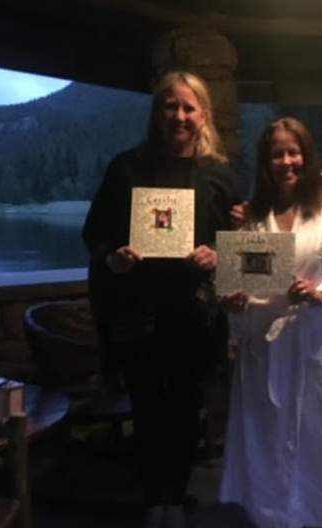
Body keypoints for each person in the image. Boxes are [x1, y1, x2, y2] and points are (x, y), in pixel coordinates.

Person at [82, 71, 239, 528]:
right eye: (171, 106)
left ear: (203, 115)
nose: (180, 115)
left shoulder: (220, 177)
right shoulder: (126, 168)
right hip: (140, 314)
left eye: (189, 107)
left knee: (188, 411)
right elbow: (94, 234)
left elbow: (242, 247)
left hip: (196, 317)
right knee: (148, 410)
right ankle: (154, 502)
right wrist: (113, 259)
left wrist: (220, 253)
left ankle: (176, 496)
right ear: (158, 112)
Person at [219, 117, 322, 528]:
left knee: (321, 436)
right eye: (276, 154)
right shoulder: (253, 217)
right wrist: (235, 300)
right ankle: (271, 514)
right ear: (266, 163)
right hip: (264, 345)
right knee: (267, 433)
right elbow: (242, 285)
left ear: (306, 156)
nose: (286, 161)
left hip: (314, 338)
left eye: (293, 152)